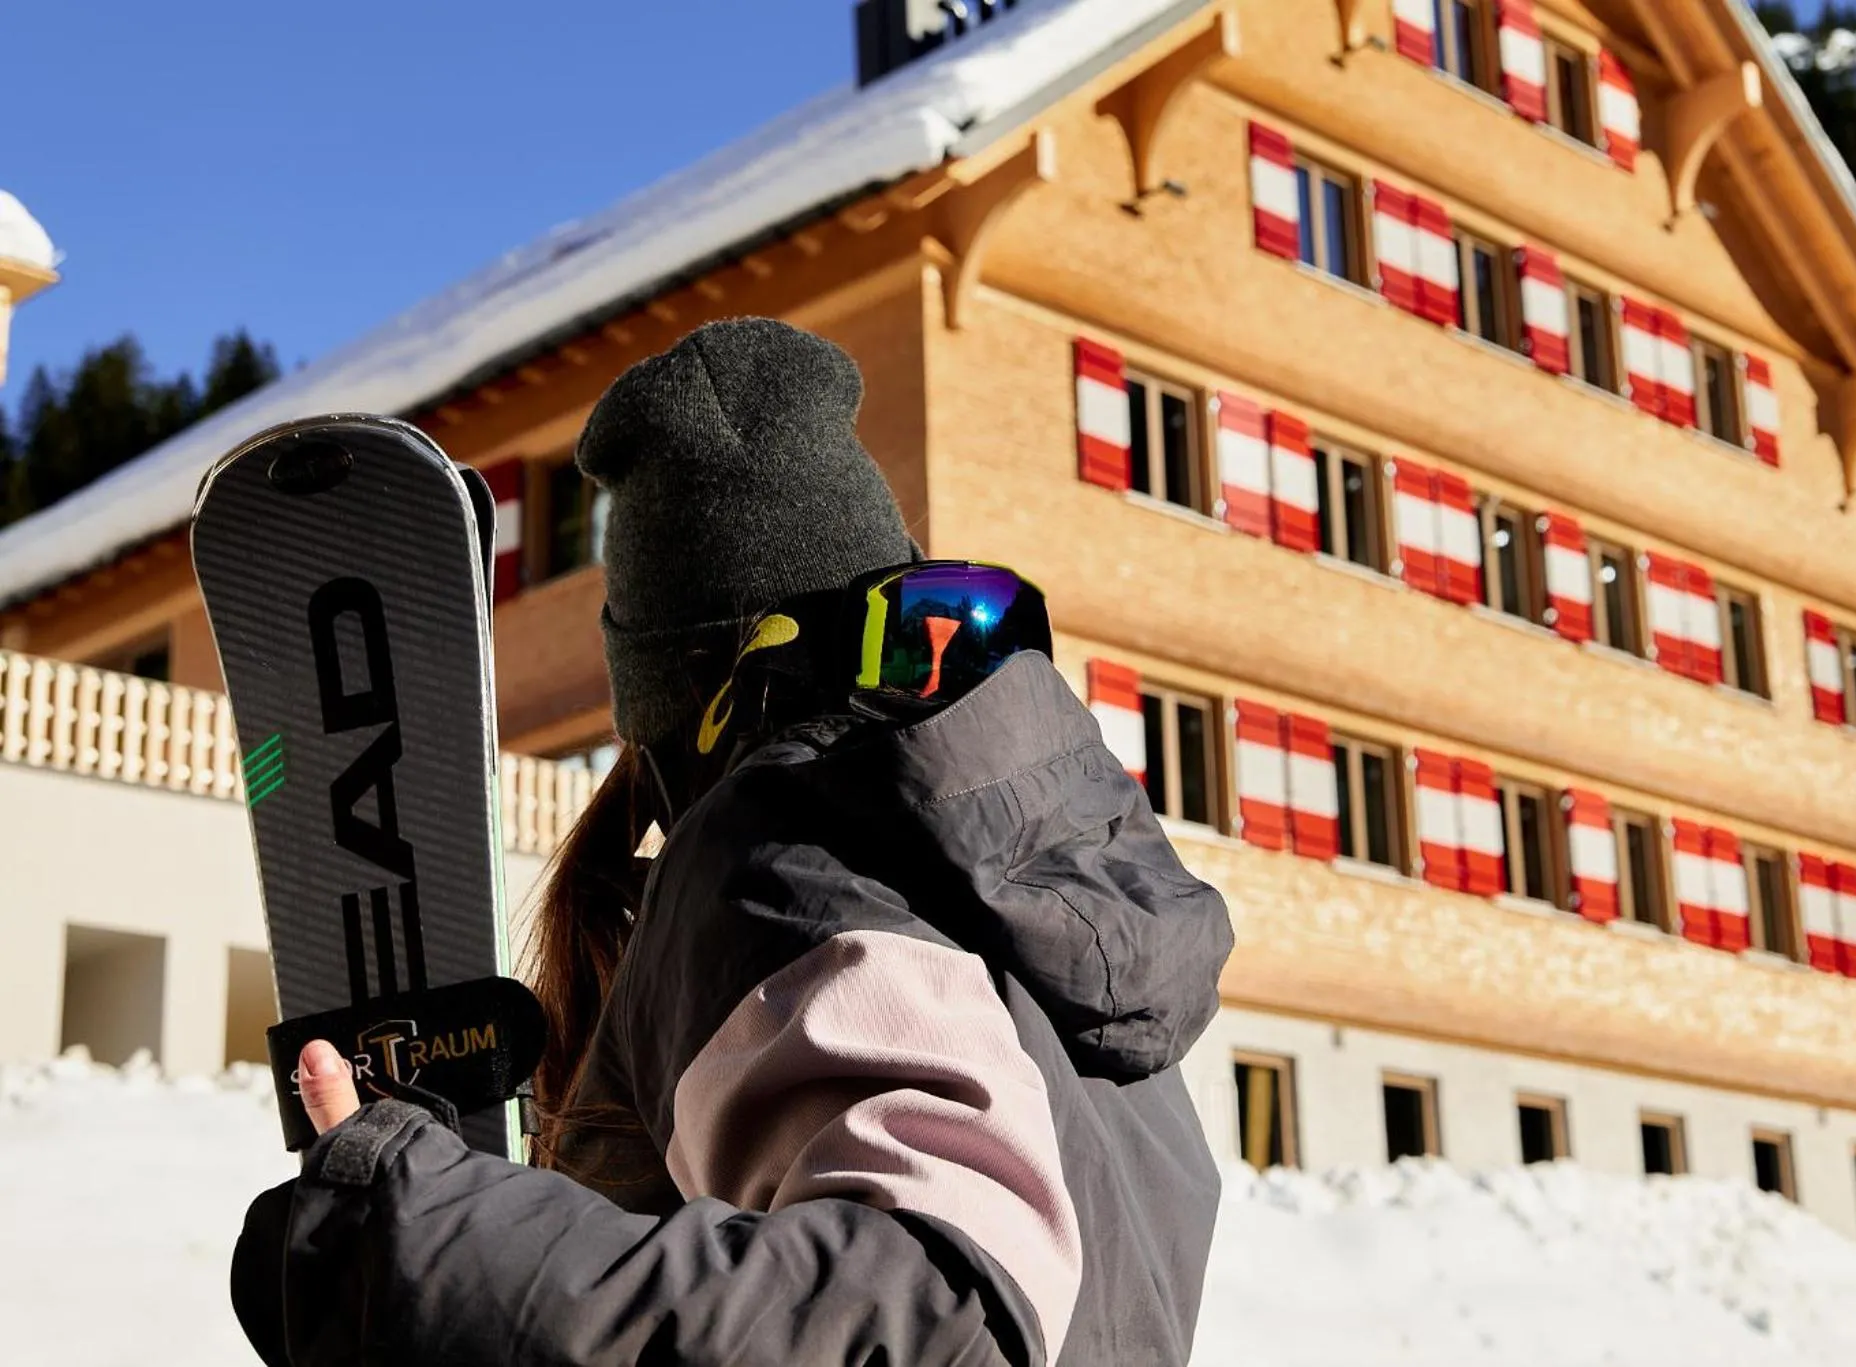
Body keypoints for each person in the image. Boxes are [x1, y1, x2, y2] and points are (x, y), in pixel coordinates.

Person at [230, 317, 1235, 1365]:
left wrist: (420, 1238)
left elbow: (938, 1322)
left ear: (672, 705)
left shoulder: (779, 860)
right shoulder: (1069, 930)